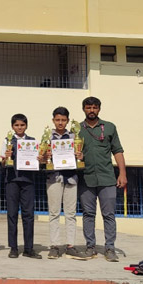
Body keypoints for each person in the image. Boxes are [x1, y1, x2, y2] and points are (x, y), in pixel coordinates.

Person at [79, 96, 127, 262]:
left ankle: (110, 248)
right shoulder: (77, 129)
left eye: (94, 107)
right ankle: (90, 246)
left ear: (99, 109)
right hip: (86, 178)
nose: (91, 110)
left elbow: (117, 151)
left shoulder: (109, 127)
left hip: (107, 178)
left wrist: (122, 173)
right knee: (88, 214)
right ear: (83, 109)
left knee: (109, 214)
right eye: (88, 107)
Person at [45, 107, 89, 261]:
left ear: (68, 121)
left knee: (71, 213)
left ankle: (71, 245)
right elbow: (42, 159)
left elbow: (81, 158)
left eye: (63, 120)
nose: (60, 123)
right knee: (54, 213)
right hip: (54, 178)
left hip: (71, 178)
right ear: (53, 120)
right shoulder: (47, 137)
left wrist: (80, 155)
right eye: (57, 120)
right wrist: (45, 155)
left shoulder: (74, 137)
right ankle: (55, 246)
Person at [2, 113, 42, 259]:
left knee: (28, 215)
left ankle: (28, 248)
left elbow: (38, 161)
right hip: (12, 180)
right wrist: (7, 156)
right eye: (17, 125)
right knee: (12, 214)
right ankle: (13, 248)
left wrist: (39, 158)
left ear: (26, 126)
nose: (19, 127)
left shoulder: (32, 142)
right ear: (12, 126)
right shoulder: (7, 141)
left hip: (28, 181)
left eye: (22, 125)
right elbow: (3, 163)